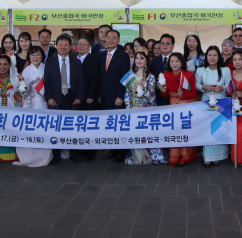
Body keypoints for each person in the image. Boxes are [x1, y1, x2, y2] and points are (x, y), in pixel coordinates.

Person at [89, 29, 130, 162]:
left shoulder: (123, 56)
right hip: (104, 97)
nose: (111, 40)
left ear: (118, 40)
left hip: (117, 97)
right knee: (110, 125)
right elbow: (100, 77)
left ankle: (121, 152)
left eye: (114, 38)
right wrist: (99, 95)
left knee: (119, 125)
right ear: (105, 39)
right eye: (109, 37)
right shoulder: (101, 56)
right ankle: (113, 150)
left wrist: (120, 96)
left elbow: (125, 77)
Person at [45, 34, 84, 164]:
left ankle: (74, 153)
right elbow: (47, 82)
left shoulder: (76, 62)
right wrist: (49, 97)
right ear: (56, 46)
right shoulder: (50, 61)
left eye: (65, 45)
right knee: (55, 126)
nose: (63, 47)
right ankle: (56, 155)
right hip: (55, 98)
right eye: (60, 44)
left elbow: (81, 81)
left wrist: (79, 97)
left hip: (72, 97)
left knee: (73, 126)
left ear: (70, 47)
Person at [124, 47, 167, 165]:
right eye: (137, 58)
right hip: (133, 108)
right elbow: (126, 93)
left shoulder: (150, 76)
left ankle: (149, 156)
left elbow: (152, 94)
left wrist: (144, 92)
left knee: (147, 133)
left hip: (146, 109)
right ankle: (136, 156)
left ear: (146, 61)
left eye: (142, 58)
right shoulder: (129, 75)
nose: (139, 60)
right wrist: (128, 107)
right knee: (135, 133)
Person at [158, 52, 198, 167]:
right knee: (175, 131)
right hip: (173, 106)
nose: (174, 64)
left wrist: (183, 94)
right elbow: (165, 95)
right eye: (172, 61)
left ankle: (185, 157)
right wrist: (163, 91)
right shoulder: (165, 75)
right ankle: (175, 157)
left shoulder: (188, 75)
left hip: (186, 105)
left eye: (177, 61)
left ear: (182, 62)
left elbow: (194, 93)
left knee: (185, 131)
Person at [17, 46, 53, 167]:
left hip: (43, 102)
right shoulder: (26, 70)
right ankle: (28, 157)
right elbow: (23, 90)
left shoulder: (47, 68)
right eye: (32, 55)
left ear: (42, 56)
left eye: (38, 55)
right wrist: (23, 85)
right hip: (29, 102)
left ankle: (45, 156)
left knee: (43, 129)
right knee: (28, 130)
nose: (35, 57)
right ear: (29, 57)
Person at [195, 46, 231, 167]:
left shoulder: (225, 70)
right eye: (209, 55)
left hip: (222, 101)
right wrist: (203, 87)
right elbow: (196, 85)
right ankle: (207, 157)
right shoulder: (201, 70)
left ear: (218, 57)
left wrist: (222, 88)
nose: (212, 57)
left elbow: (229, 85)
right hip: (206, 101)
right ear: (206, 57)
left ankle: (218, 156)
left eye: (215, 55)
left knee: (219, 128)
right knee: (208, 128)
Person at [151, 34, 175, 106]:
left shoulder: (177, 59)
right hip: (158, 96)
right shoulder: (154, 60)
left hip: (173, 97)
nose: (165, 45)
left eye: (168, 44)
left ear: (173, 46)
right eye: (162, 43)